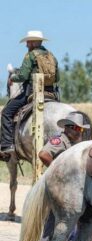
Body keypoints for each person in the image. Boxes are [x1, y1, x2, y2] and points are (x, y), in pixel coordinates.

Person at [31, 112, 90, 241]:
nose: (80, 132)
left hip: (67, 191)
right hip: (57, 189)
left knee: (71, 222)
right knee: (51, 225)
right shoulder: (60, 140)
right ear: (69, 128)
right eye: (77, 128)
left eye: (81, 130)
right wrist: (57, 171)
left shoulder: (72, 143)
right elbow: (43, 154)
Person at [0, 30, 59, 160]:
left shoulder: (30, 55)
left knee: (6, 112)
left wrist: (13, 78)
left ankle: (7, 146)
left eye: (28, 42)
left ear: (33, 42)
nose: (27, 45)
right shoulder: (51, 56)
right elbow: (57, 78)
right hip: (51, 93)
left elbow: (23, 75)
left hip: (33, 92)